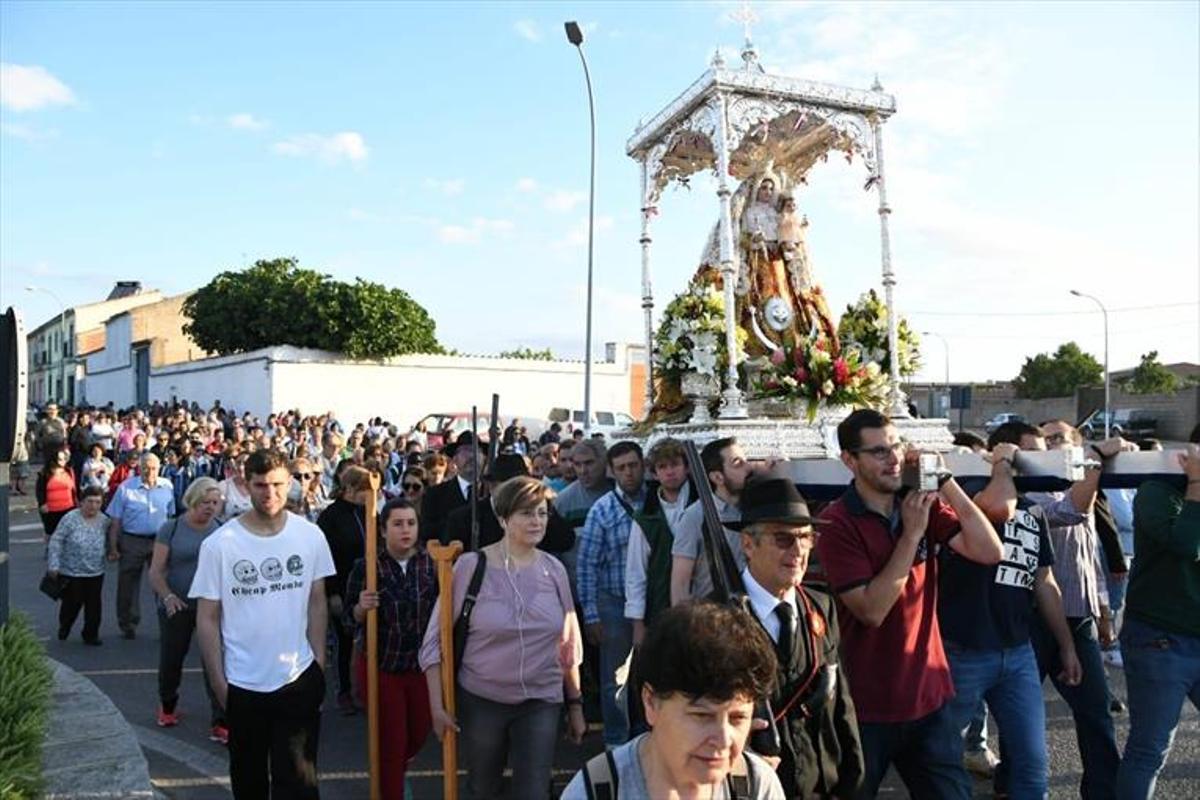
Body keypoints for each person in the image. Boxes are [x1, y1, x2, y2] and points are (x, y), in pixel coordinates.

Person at [814, 409, 1003, 799]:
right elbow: (871, 609)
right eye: (879, 451)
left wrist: (946, 481)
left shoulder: (919, 505)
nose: (894, 458)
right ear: (850, 460)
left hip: (928, 698)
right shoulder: (837, 523)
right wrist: (911, 535)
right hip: (866, 707)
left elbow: (989, 550)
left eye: (897, 446)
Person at [938, 422, 1083, 799]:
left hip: (1017, 653)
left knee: (1032, 768)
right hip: (961, 652)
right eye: (1029, 454)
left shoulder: (1034, 511)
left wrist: (1066, 646)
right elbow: (999, 507)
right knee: (942, 765)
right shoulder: (967, 498)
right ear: (1003, 455)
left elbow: (1044, 580)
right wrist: (1003, 464)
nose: (1040, 462)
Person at [420, 476, 585, 800]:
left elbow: (568, 646)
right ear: (502, 518)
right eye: (526, 513)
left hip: (542, 698)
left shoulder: (554, 570)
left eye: (542, 513)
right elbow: (433, 643)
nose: (537, 521)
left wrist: (576, 705)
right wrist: (437, 708)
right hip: (483, 700)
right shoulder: (470, 566)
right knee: (483, 789)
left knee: (534, 792)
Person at [191, 448, 335, 800]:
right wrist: (219, 683)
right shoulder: (219, 545)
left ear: (289, 484)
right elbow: (207, 619)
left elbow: (317, 601)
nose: (270, 494)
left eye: (277, 484)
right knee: (249, 782)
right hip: (242, 684)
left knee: (299, 784)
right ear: (245, 485)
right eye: (260, 485)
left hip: (298, 678)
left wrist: (319, 662)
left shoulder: (310, 536)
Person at [562, 602, 786, 799]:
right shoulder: (595, 791)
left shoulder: (757, 786)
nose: (724, 739)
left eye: (737, 718)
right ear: (650, 703)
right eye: (702, 716)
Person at [728, 475, 865, 797]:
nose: (799, 550)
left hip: (821, 784)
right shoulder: (715, 619)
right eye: (783, 539)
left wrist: (852, 780)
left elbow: (839, 705)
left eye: (806, 537)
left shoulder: (820, 606)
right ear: (748, 544)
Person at [1019, 419, 1132, 799]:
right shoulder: (1028, 493)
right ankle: (1010, 785)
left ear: (1075, 445)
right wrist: (1099, 457)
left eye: (1057, 439)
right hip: (1033, 621)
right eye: (1043, 441)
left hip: (1078, 618)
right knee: (1019, 715)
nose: (1048, 447)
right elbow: (1068, 512)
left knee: (1096, 712)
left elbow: (1089, 559)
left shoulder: (1080, 485)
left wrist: (1102, 612)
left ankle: (1103, 790)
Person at [1115, 432, 1200, 798]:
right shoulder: (1157, 490)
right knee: (1150, 749)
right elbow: (1187, 543)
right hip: (1160, 637)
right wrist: (1197, 484)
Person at [345, 498, 438, 800]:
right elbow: (348, 619)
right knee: (391, 740)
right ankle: (392, 789)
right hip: (382, 665)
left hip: (422, 666)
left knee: (420, 730)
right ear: (383, 530)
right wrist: (361, 608)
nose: (405, 530)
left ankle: (398, 770)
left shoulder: (432, 564)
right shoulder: (368, 566)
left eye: (411, 523)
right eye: (397, 524)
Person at [578, 440, 647, 748]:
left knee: (651, 673)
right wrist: (591, 615)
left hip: (650, 603)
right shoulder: (602, 510)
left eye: (633, 465)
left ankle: (647, 736)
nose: (629, 473)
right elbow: (586, 567)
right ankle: (616, 741)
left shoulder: (657, 503)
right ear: (612, 471)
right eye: (621, 468)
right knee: (614, 679)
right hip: (613, 602)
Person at [148, 476, 226, 741]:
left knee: (214, 661)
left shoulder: (221, 528)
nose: (210, 507)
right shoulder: (171, 528)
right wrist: (167, 597)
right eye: (205, 502)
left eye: (215, 502)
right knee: (172, 658)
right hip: (177, 603)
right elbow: (156, 571)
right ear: (192, 501)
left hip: (210, 606)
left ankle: (220, 719)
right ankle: (167, 705)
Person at [624, 436, 696, 643]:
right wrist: (638, 624)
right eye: (662, 467)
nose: (670, 472)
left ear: (686, 468)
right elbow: (636, 572)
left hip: (700, 605)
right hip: (659, 607)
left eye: (675, 464)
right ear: (654, 473)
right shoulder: (645, 517)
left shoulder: (701, 506)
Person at [670, 437, 754, 605]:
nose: (748, 468)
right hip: (711, 616)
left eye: (746, 461)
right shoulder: (694, 516)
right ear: (717, 477)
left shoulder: (753, 510)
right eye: (737, 463)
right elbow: (680, 583)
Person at [316, 465, 373, 714]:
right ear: (350, 488)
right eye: (364, 489)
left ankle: (365, 687)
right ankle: (344, 691)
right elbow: (324, 558)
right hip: (342, 586)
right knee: (344, 641)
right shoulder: (330, 517)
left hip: (367, 586)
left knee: (369, 640)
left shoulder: (368, 514)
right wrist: (332, 593)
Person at [443, 453, 575, 554]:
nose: (517, 492)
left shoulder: (540, 510)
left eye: (521, 486)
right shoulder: (464, 518)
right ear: (492, 486)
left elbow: (565, 541)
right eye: (510, 486)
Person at [106, 452, 176, 639]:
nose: (149, 472)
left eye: (153, 468)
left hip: (159, 540)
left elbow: (170, 516)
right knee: (128, 583)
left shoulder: (167, 486)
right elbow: (115, 521)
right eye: (145, 468)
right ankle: (127, 623)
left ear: (159, 468)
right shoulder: (126, 488)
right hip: (132, 540)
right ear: (139, 468)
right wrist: (113, 547)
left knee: (162, 582)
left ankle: (167, 622)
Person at [46, 485, 108, 645]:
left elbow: (109, 539)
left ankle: (90, 634)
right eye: (90, 501)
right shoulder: (70, 518)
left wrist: (112, 551)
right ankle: (65, 626)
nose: (93, 506)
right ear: (81, 502)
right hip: (72, 571)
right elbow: (56, 540)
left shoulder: (104, 520)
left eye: (97, 502)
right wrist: (54, 564)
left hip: (95, 571)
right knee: (72, 603)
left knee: (94, 606)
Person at [420, 431, 483, 543]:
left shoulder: (490, 493)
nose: (472, 456)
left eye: (477, 451)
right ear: (455, 460)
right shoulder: (435, 494)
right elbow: (427, 532)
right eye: (466, 451)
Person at [37, 447, 77, 541]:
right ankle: (51, 553)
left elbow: (74, 489)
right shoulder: (45, 473)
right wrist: (42, 503)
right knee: (52, 535)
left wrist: (77, 502)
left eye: (65, 459)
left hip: (68, 508)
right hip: (51, 510)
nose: (63, 461)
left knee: (69, 534)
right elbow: (40, 490)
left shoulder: (68, 471)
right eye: (60, 459)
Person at [218, 451, 253, 523]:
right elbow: (217, 516)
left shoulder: (261, 487)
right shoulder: (224, 486)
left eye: (246, 463)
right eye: (238, 463)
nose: (241, 467)